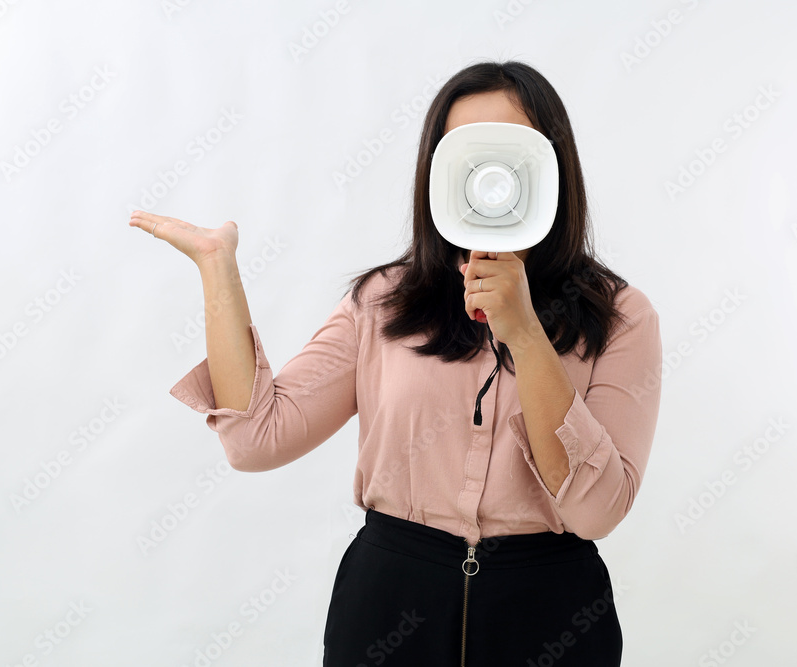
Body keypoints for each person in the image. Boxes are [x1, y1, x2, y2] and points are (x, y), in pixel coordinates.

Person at [129, 60, 662, 667]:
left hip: (550, 613)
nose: (492, 172)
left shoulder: (621, 316)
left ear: (553, 168)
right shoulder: (382, 302)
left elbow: (597, 511)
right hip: (390, 605)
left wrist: (527, 335)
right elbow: (255, 441)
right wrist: (216, 269)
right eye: (467, 151)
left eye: (511, 151)